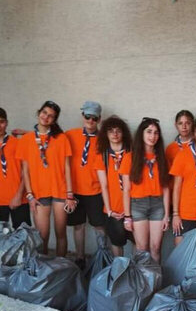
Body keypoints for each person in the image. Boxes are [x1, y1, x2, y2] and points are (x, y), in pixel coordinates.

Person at [16, 101, 76, 256]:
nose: (46, 117)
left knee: (61, 233)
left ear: (54, 120)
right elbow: (25, 170)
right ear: (38, 113)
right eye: (44, 113)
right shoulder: (26, 139)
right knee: (42, 236)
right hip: (38, 193)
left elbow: (67, 168)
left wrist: (70, 195)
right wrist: (29, 195)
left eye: (51, 116)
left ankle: (61, 268)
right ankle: (43, 270)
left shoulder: (61, 138)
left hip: (60, 191)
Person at [121, 118, 170, 263]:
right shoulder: (130, 158)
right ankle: (143, 283)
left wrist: (167, 215)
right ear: (141, 134)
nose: (152, 136)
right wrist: (127, 217)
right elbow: (126, 189)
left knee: (155, 247)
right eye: (149, 132)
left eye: (156, 133)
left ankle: (155, 283)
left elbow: (166, 188)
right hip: (138, 205)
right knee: (142, 248)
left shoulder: (162, 158)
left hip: (157, 205)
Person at [66, 101, 106, 269]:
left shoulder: (104, 139)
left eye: (94, 118)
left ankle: (103, 255)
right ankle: (80, 257)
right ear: (82, 116)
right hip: (75, 190)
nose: (90, 120)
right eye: (87, 116)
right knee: (78, 225)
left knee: (99, 225)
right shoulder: (70, 135)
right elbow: (49, 140)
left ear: (99, 119)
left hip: (95, 190)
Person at [170, 117, 196, 244]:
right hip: (185, 212)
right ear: (193, 134)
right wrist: (176, 214)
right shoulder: (182, 155)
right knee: (181, 253)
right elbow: (176, 187)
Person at [94, 115, 133, 257]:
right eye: (111, 131)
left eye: (118, 131)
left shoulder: (132, 152)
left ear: (124, 133)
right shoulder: (102, 156)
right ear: (106, 134)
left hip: (133, 207)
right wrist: (109, 210)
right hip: (114, 209)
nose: (115, 134)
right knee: (117, 243)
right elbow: (103, 185)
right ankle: (120, 273)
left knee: (138, 243)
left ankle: (135, 274)